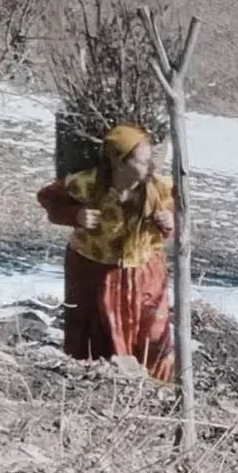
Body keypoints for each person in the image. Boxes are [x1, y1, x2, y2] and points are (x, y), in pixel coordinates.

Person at [36, 124, 177, 382]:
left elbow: (182, 216)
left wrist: (169, 222)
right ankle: (101, 382)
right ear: (119, 163)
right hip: (93, 269)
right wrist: (75, 215)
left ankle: (156, 386)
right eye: (143, 161)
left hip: (144, 272)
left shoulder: (160, 189)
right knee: (98, 331)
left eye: (151, 159)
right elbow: (48, 198)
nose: (151, 166)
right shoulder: (88, 185)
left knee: (151, 335)